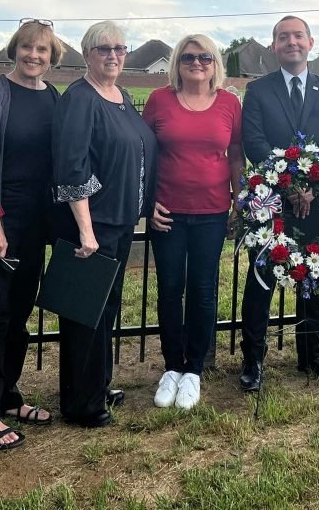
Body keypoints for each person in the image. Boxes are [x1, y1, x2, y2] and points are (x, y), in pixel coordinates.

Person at [0, 19, 64, 448]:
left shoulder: (54, 98)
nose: (34, 56)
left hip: (36, 224)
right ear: (15, 49)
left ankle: (8, 395)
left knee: (19, 314)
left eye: (42, 50)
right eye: (27, 48)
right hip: (1, 221)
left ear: (52, 57)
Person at [52, 21, 157, 428]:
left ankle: (97, 384)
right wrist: (86, 228)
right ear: (87, 54)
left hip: (119, 222)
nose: (113, 55)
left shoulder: (121, 96)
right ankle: (81, 403)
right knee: (84, 314)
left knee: (105, 311)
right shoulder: (80, 99)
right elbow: (72, 166)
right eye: (103, 49)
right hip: (92, 227)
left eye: (119, 48)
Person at [238, 15, 319, 392]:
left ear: (311, 42)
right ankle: (253, 358)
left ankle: (311, 354)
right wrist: (287, 186)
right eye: (283, 37)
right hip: (270, 201)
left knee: (313, 276)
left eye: (297, 35)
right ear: (274, 46)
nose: (291, 42)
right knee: (261, 280)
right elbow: (253, 142)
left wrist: (311, 189)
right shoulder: (258, 90)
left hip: (316, 203)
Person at [144, 34, 244, 410]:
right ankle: (172, 367)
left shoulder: (230, 104)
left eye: (205, 57)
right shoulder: (159, 100)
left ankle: (195, 370)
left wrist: (239, 201)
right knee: (170, 288)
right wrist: (147, 202)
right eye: (188, 57)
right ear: (177, 63)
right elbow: (145, 156)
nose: (196, 62)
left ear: (215, 63)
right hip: (167, 212)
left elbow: (235, 155)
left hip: (212, 212)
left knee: (203, 289)